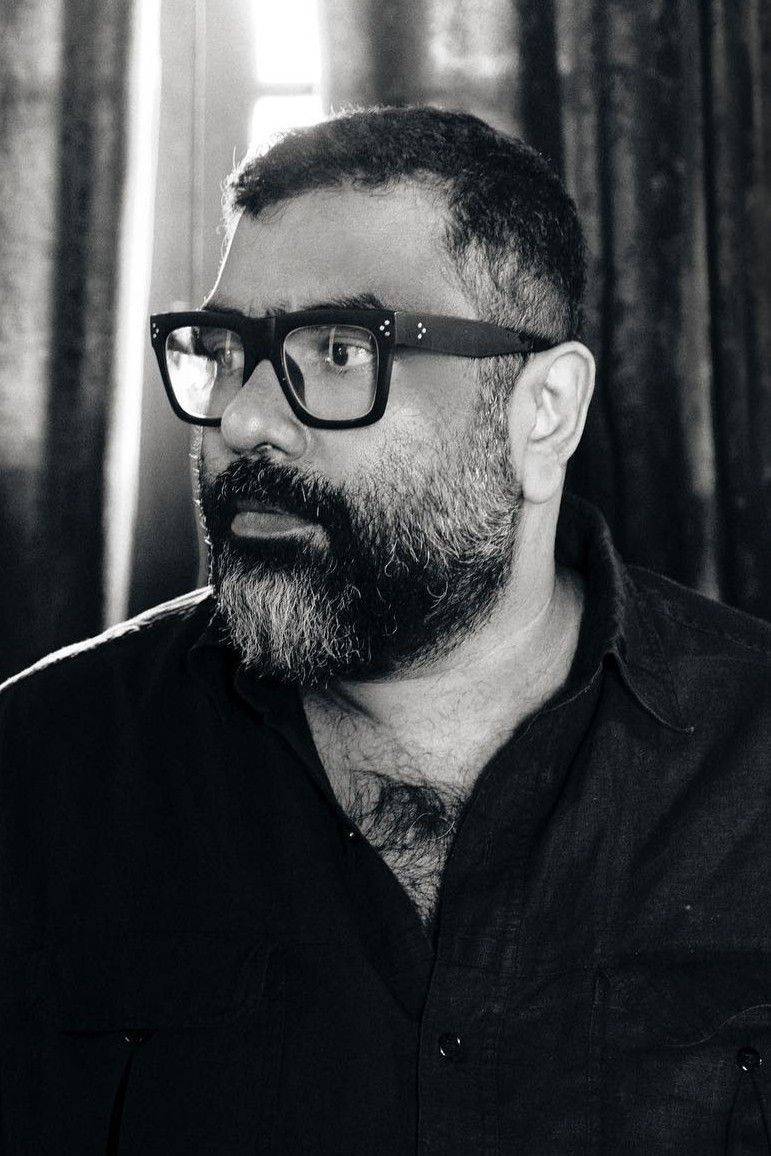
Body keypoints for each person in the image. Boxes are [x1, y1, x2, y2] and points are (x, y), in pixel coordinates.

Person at [2, 105, 771, 1156]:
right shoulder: (42, 766)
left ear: (543, 411)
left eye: (336, 350)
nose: (244, 420)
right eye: (224, 350)